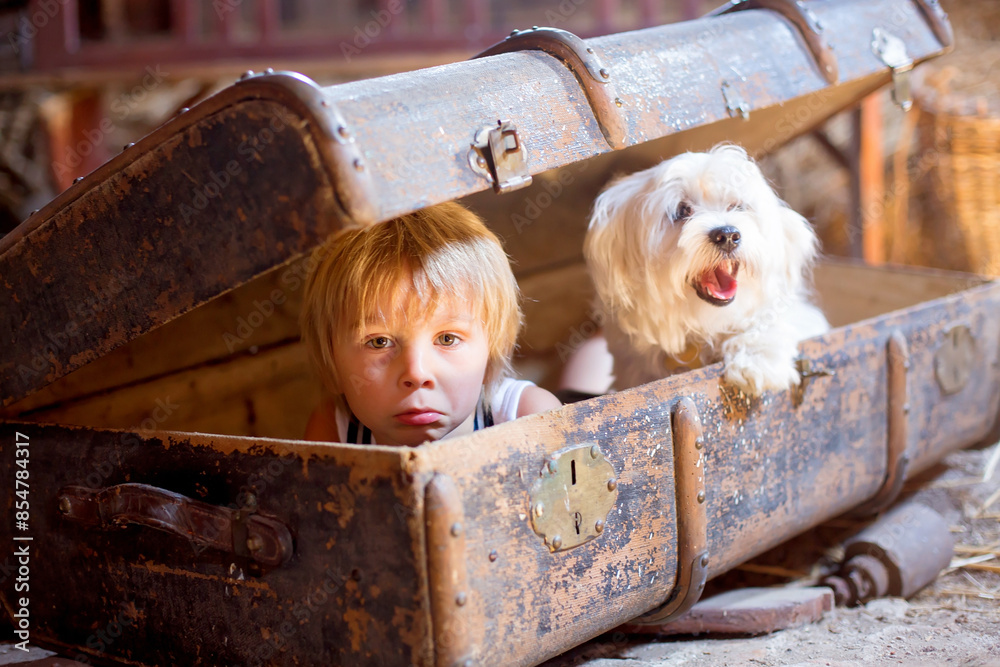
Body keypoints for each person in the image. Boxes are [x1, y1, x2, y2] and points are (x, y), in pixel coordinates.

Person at [299, 201, 561, 445]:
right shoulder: (335, 430)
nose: (417, 373)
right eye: (379, 342)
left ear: (491, 356)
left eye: (447, 339)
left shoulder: (528, 417)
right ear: (331, 363)